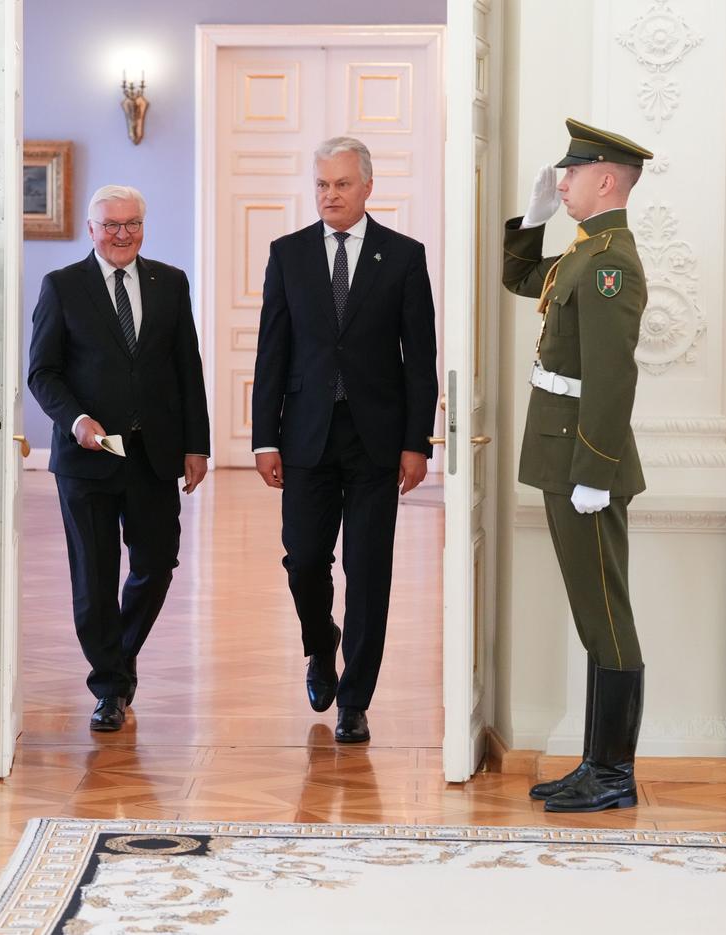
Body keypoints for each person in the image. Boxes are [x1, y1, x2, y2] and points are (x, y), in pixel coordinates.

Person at [252, 137, 438, 744]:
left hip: (376, 443)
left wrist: (417, 442)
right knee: (305, 559)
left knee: (368, 571)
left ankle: (355, 699)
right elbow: (272, 350)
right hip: (305, 437)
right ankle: (319, 644)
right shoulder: (288, 254)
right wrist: (263, 438)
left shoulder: (404, 257)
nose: (329, 195)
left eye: (341, 185)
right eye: (322, 185)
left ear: (366, 188)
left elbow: (420, 361)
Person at [501, 118, 653, 812]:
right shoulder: (583, 253)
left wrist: (594, 468)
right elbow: (519, 277)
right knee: (593, 614)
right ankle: (597, 761)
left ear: (607, 180)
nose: (561, 182)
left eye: (571, 173)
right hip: (564, 453)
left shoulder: (612, 261)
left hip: (583, 462)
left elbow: (612, 378)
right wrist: (531, 219)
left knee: (606, 616)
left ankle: (614, 771)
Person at [28, 185, 210, 732]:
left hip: (152, 456)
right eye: (111, 225)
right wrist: (77, 420)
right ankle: (108, 686)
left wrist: (196, 444)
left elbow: (188, 369)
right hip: (87, 458)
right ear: (91, 229)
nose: (122, 234)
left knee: (157, 565)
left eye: (132, 224)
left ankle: (120, 654)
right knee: (94, 577)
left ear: (143, 227)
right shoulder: (61, 287)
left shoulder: (170, 283)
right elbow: (43, 372)